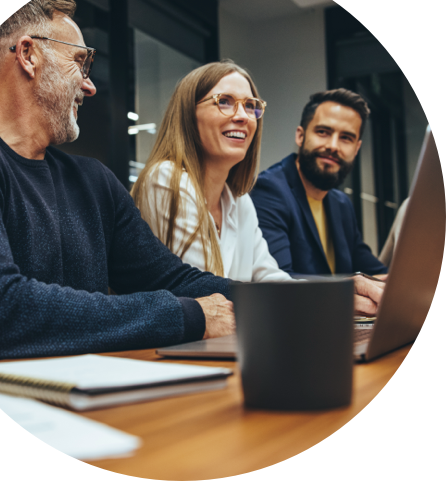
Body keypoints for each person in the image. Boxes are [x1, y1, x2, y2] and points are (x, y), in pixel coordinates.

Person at [0, 0, 235, 364]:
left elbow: (173, 279)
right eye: (80, 63)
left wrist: (273, 301)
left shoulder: (93, 181)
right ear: (28, 54)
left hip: (89, 396)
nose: (90, 86)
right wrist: (190, 316)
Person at [132, 65, 384, 315]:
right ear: (188, 114)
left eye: (250, 105)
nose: (243, 116)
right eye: (225, 101)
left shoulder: (239, 201)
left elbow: (270, 277)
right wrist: (330, 298)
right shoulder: (166, 178)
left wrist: (338, 293)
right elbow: (205, 294)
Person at [250, 88, 388, 281]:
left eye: (346, 138)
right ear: (300, 136)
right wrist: (353, 287)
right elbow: (279, 280)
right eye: (323, 132)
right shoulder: (268, 191)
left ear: (356, 148)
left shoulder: (341, 203)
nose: (333, 145)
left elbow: (373, 270)